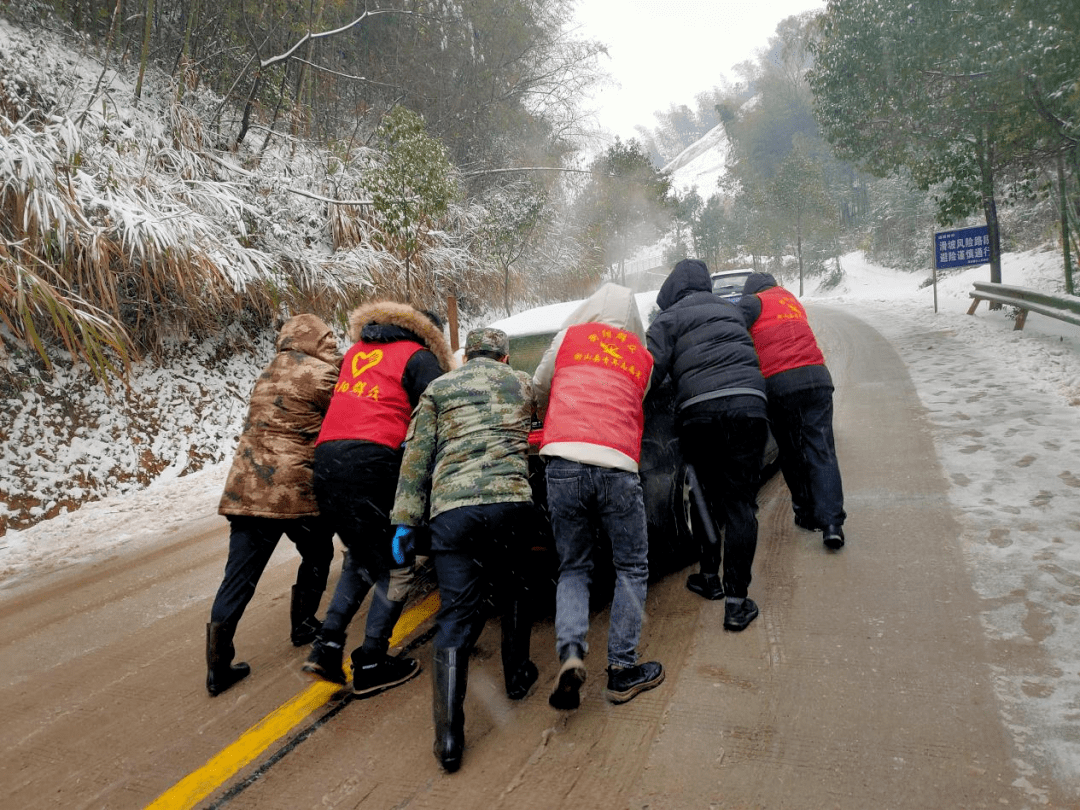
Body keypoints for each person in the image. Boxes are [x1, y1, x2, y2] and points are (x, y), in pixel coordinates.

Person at [391, 327, 538, 773]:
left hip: (453, 512)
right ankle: (517, 677)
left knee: (456, 614)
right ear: (504, 357)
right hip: (511, 505)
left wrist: (403, 521)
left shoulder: (439, 387)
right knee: (515, 588)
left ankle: (449, 739)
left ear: (466, 356)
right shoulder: (523, 383)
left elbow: (416, 457)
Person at [302, 302, 454, 697]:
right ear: (430, 336)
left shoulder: (355, 354)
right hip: (373, 463)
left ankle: (328, 645)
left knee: (362, 555)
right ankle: (371, 661)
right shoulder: (418, 358)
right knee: (396, 565)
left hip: (327, 461)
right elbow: (445, 413)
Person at [531, 282, 664, 711]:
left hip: (563, 460)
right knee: (631, 566)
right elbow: (636, 403)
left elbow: (540, 384)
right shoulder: (642, 357)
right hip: (616, 464)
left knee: (573, 566)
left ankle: (571, 652)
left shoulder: (570, 338)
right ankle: (622, 670)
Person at [207, 313, 341, 697]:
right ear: (317, 340)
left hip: (247, 488)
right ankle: (303, 624)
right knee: (317, 553)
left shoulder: (266, 372)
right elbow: (339, 421)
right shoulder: (323, 375)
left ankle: (217, 667)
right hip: (293, 491)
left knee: (238, 578)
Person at [646, 258, 768, 632]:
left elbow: (649, 373)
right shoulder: (730, 310)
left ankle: (709, 576)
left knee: (705, 497)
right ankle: (736, 602)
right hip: (749, 408)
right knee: (740, 504)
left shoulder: (667, 320)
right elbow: (756, 304)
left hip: (700, 416)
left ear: (670, 292)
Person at [739, 272, 846, 549]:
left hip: (780, 383)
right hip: (818, 378)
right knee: (821, 449)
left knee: (790, 450)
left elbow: (731, 327)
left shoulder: (753, 303)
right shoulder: (790, 300)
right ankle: (832, 524)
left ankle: (806, 513)